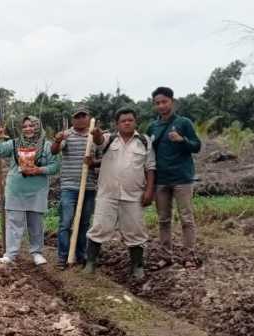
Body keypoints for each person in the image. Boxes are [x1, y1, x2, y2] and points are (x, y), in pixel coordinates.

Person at [84, 108, 156, 279]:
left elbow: (150, 168)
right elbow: (99, 141)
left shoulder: (144, 141)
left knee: (135, 230)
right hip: (107, 194)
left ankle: (137, 266)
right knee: (100, 227)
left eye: (130, 120)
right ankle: (91, 263)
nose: (127, 123)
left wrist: (149, 191)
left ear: (135, 122)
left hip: (133, 195)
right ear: (117, 124)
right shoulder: (109, 139)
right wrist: (96, 134)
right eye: (123, 121)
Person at [0, 117, 60, 267]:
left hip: (37, 191)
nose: (28, 129)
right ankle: (10, 255)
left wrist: (39, 170)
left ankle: (37, 253)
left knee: (36, 224)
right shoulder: (14, 144)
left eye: (31, 125)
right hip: (16, 190)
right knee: (14, 223)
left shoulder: (47, 146)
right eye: (25, 126)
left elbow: (55, 166)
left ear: (38, 127)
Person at [146, 86, 202, 251]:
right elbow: (147, 153)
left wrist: (182, 140)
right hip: (161, 180)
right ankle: (165, 254)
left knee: (186, 219)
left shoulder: (184, 123)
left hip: (182, 179)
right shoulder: (152, 127)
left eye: (164, 102)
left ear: (172, 102)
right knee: (163, 219)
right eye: (157, 103)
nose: (161, 106)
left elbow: (197, 146)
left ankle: (189, 254)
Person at [51, 106, 100, 268]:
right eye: (77, 117)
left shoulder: (94, 137)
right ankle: (63, 256)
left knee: (84, 223)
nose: (80, 119)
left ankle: (80, 255)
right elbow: (54, 151)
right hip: (69, 187)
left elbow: (100, 159)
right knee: (66, 223)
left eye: (83, 116)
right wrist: (57, 140)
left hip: (89, 187)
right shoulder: (67, 135)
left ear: (88, 118)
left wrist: (93, 163)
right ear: (73, 120)